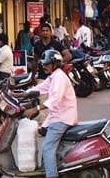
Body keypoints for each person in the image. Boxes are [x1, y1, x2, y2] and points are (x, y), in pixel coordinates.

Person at [20, 50, 78, 178]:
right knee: (43, 134)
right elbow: (40, 88)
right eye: (44, 64)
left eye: (47, 64)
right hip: (57, 116)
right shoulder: (53, 77)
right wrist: (22, 94)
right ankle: (45, 169)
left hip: (62, 118)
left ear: (55, 64)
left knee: (47, 148)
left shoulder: (59, 78)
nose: (44, 66)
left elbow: (55, 98)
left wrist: (36, 109)